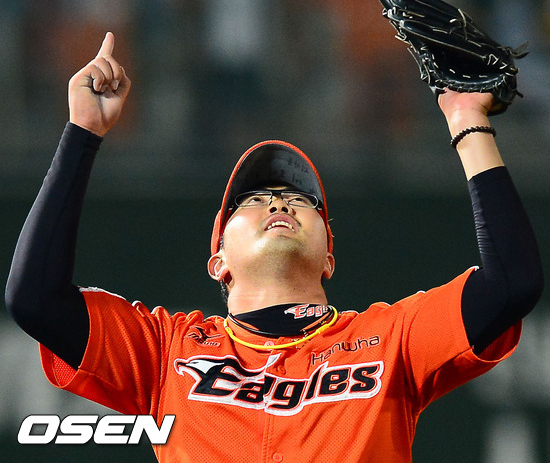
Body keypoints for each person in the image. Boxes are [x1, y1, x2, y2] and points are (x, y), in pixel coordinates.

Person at [5, 31, 544, 462]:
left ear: (329, 255)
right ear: (218, 259)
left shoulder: (390, 340)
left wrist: (468, 121)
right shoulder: (166, 352)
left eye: (299, 200)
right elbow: (36, 299)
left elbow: (511, 283)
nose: (280, 203)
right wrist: (82, 132)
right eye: (254, 200)